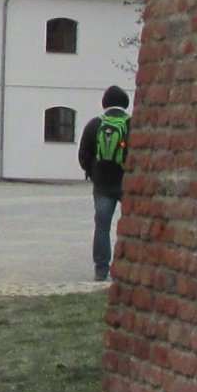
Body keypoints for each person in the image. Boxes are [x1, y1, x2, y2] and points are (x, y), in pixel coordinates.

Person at [76, 84, 132, 282]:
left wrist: (93, 173)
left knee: (102, 226)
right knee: (132, 225)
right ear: (125, 103)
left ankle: (101, 269)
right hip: (128, 185)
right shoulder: (132, 124)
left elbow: (83, 155)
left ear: (104, 104)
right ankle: (130, 266)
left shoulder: (93, 125)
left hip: (102, 185)